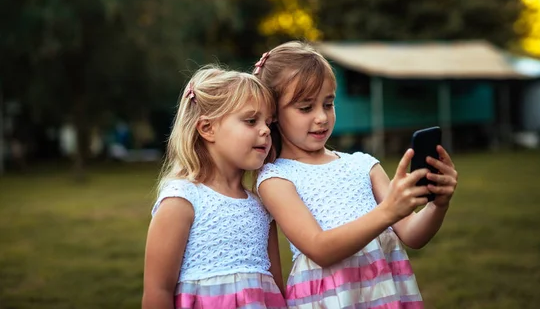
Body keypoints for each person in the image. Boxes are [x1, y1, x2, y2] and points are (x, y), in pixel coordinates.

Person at [253, 42, 459, 308]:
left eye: (328, 104)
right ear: (273, 114)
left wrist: (438, 204)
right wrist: (387, 212)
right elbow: (320, 249)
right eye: (306, 108)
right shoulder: (276, 179)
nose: (321, 117)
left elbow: (413, 234)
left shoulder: (363, 165)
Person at [143, 66, 286, 309]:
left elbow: (277, 287)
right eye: (251, 120)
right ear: (207, 128)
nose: (265, 130)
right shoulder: (182, 201)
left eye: (269, 123)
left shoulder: (263, 206)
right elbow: (158, 291)